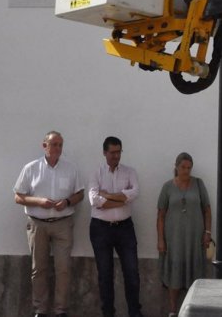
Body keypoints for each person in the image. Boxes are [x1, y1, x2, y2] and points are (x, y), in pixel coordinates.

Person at [14, 131, 84, 317]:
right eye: (54, 144)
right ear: (44, 145)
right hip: (38, 224)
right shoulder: (31, 168)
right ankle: (41, 310)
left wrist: (68, 202)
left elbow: (80, 194)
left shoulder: (70, 168)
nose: (58, 148)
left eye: (60, 145)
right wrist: (39, 202)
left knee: (63, 268)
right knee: (39, 269)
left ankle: (60, 310)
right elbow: (18, 196)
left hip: (63, 224)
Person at [88, 136, 144, 317]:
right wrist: (121, 200)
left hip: (124, 228)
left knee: (132, 273)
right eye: (112, 152)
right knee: (105, 274)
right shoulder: (96, 172)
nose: (116, 156)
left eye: (118, 152)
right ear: (104, 153)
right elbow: (94, 200)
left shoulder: (130, 172)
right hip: (100, 229)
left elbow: (135, 193)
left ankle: (135, 313)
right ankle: (108, 314)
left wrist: (108, 196)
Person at [157, 152, 211, 316]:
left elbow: (207, 210)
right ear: (176, 167)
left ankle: (193, 309)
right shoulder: (167, 187)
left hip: (195, 237)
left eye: (189, 168)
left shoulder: (199, 184)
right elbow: (160, 215)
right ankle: (173, 310)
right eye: (183, 167)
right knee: (174, 272)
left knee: (195, 270)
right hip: (173, 237)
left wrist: (207, 232)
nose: (186, 171)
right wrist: (160, 240)